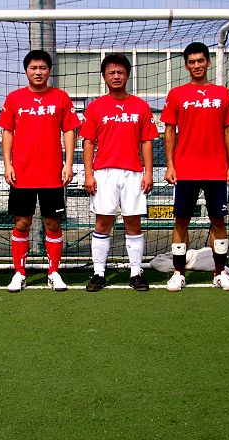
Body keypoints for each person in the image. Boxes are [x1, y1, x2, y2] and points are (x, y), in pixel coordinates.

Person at [0, 49, 80, 293]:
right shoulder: (14, 98)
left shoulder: (61, 98)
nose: (38, 72)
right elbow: (7, 132)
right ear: (26, 71)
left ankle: (54, 272)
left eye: (42, 68)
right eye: (33, 68)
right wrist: (7, 164)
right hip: (22, 174)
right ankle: (19, 273)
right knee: (22, 222)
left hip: (52, 174)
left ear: (49, 71)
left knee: (52, 223)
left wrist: (68, 164)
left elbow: (69, 130)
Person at [162, 42, 229, 292]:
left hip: (216, 170)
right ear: (186, 66)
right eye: (192, 62)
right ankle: (178, 273)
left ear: (208, 62)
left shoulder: (222, 94)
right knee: (181, 221)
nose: (197, 65)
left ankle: (220, 273)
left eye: (200, 60)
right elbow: (169, 131)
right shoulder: (177, 94)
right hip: (186, 170)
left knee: (218, 221)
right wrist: (170, 165)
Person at [79, 53, 159, 292]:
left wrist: (148, 173)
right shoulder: (95, 107)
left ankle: (135, 272)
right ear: (104, 76)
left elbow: (146, 141)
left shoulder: (140, 106)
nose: (116, 76)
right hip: (104, 173)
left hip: (133, 173)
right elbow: (88, 142)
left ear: (128, 75)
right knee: (103, 222)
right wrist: (88, 174)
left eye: (120, 72)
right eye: (111, 72)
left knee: (133, 222)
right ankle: (98, 273)